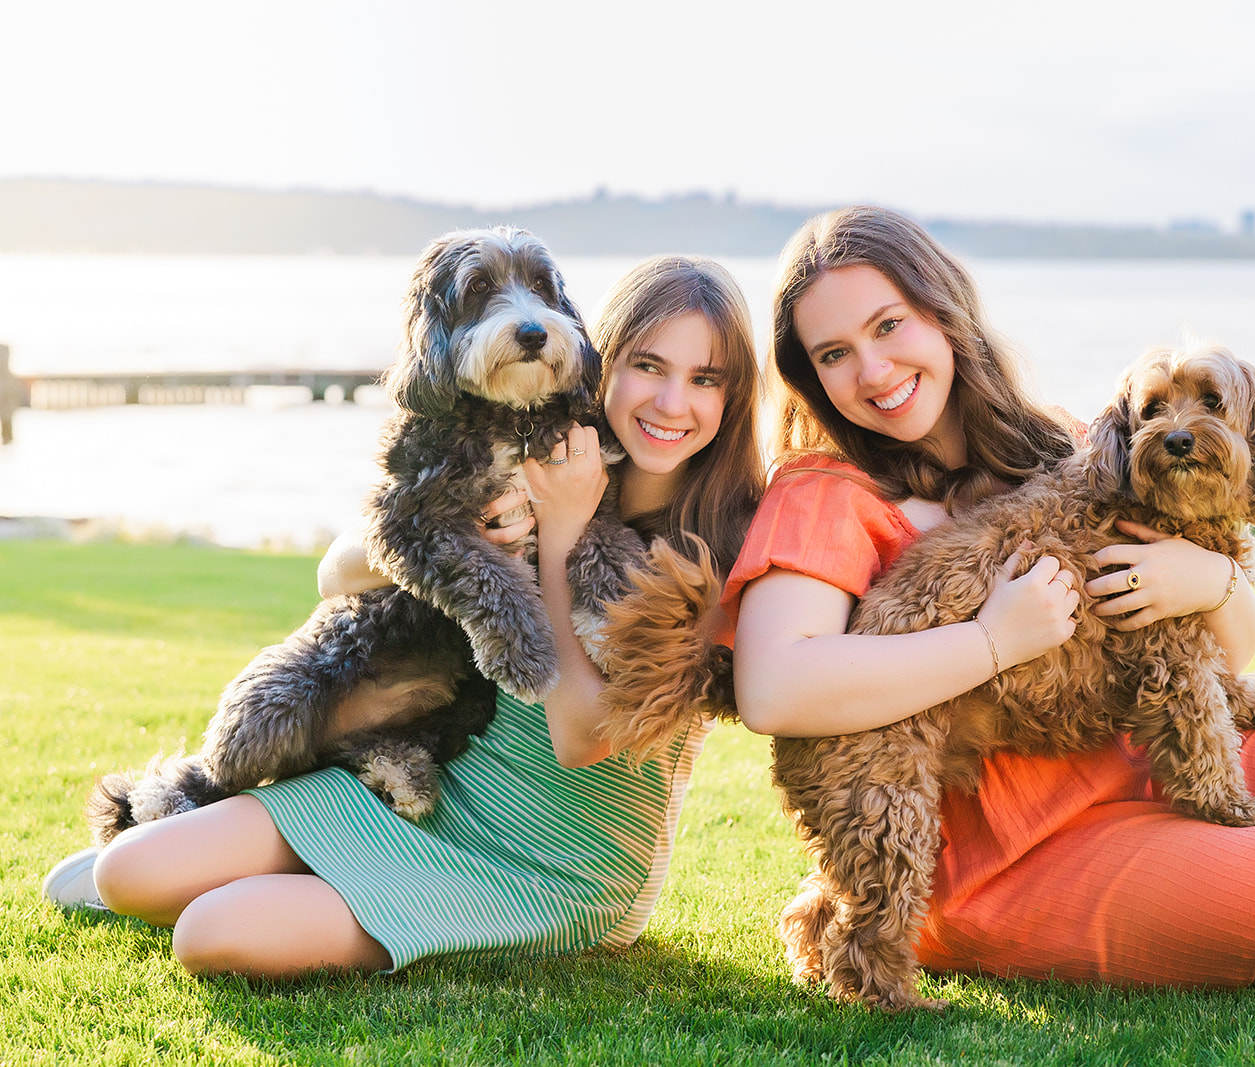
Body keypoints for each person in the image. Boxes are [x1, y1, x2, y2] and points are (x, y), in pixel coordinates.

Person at [724, 206, 1255, 990]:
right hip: (994, 845)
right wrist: (994, 641)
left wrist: (1209, 580)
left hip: (1127, 760)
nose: (872, 370)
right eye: (834, 354)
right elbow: (774, 688)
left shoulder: (1069, 442)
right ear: (809, 375)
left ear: (943, 313)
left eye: (888, 326)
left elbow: (1224, 652)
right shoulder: (823, 493)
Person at [42, 255, 767, 977]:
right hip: (453, 788)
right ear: (597, 357)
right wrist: (477, 529)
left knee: (209, 935)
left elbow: (583, 736)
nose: (674, 401)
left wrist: (560, 539)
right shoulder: (538, 454)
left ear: (735, 398)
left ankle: (269, 885)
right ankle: (220, 867)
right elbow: (337, 571)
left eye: (706, 379)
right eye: (649, 365)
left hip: (558, 860)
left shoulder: (722, 545)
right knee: (127, 872)